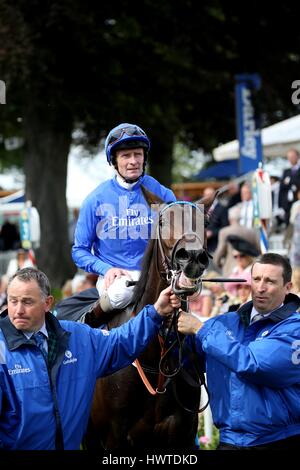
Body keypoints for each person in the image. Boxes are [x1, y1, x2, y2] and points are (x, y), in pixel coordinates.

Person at [0, 267, 180, 450]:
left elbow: (120, 342)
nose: (18, 310)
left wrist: (156, 311)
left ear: (47, 303)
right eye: (13, 301)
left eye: (27, 302)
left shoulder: (77, 336)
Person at [177, 253, 300, 449]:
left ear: (288, 287)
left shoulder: (295, 329)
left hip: (277, 440)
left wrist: (200, 329)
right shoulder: (225, 322)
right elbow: (180, 360)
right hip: (229, 441)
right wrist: (170, 308)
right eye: (257, 279)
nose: (260, 288)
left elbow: (253, 364)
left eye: (270, 281)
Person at [72, 123, 176, 314]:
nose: (133, 161)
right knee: (122, 293)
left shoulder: (163, 194)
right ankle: (92, 327)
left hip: (159, 276)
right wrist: (106, 269)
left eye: (138, 154)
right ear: (114, 161)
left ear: (144, 157)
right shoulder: (95, 200)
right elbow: (79, 251)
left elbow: (180, 238)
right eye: (125, 156)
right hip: (117, 279)